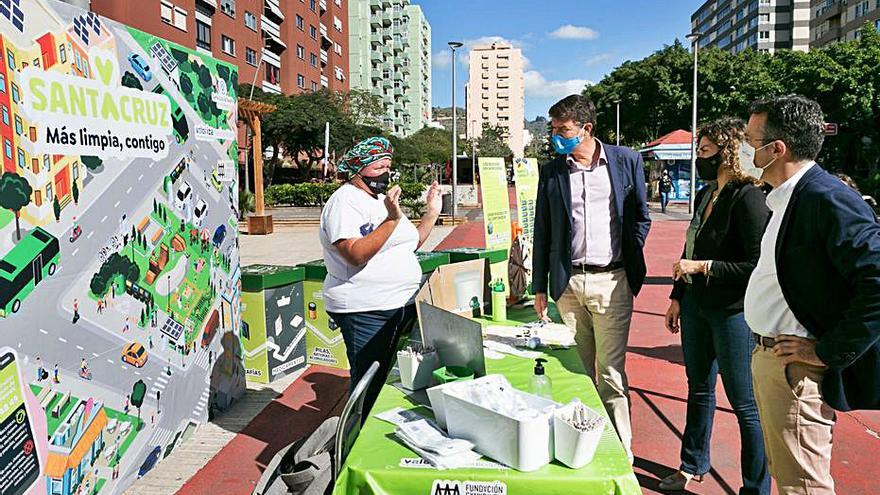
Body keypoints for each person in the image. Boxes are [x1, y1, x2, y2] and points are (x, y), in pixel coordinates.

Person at [744, 95, 880, 494]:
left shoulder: (826, 197)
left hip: (796, 368)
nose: (744, 148)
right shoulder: (787, 197)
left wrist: (827, 352)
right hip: (774, 358)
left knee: (802, 485)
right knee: (788, 476)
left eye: (751, 139)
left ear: (776, 149)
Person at [532, 94, 651, 461]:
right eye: (553, 129)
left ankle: (620, 452)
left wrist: (629, 254)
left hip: (611, 282)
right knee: (576, 372)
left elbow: (640, 217)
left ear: (586, 128)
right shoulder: (552, 171)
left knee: (611, 373)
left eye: (562, 130)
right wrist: (540, 285)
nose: (555, 137)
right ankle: (580, 445)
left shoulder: (625, 161)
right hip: (568, 286)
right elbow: (543, 230)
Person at [662, 118, 770, 493]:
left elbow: (755, 264)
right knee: (699, 389)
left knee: (745, 404)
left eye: (705, 151)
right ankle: (692, 464)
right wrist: (678, 295)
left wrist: (705, 267)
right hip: (696, 306)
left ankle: (755, 487)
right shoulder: (707, 194)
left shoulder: (749, 196)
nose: (699, 158)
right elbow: (690, 247)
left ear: (727, 154)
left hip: (733, 312)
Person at [320, 136, 443, 416]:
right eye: (378, 168)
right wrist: (391, 219)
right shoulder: (344, 202)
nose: (385, 174)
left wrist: (431, 212)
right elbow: (354, 253)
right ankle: (353, 441)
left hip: (400, 304)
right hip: (366, 309)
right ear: (358, 169)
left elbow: (411, 243)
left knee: (391, 377)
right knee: (369, 383)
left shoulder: (379, 201)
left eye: (388, 167)